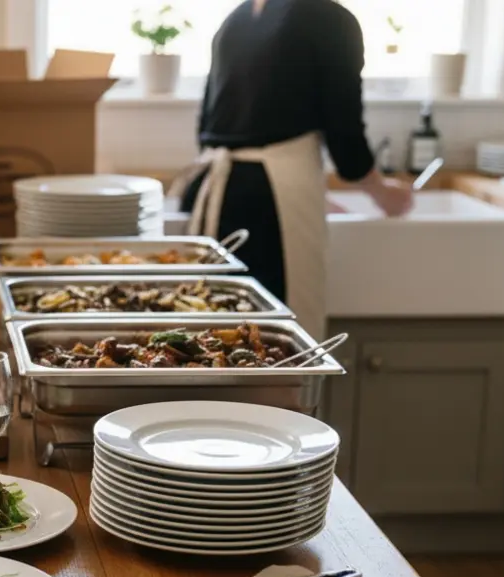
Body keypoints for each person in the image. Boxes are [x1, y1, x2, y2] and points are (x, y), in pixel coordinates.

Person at [176, 0, 413, 337]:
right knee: (283, 338)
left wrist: (312, 194)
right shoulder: (329, 17)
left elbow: (208, 125)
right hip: (275, 202)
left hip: (220, 191)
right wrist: (381, 191)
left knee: (221, 333)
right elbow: (345, 132)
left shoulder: (236, 19)